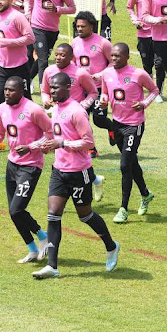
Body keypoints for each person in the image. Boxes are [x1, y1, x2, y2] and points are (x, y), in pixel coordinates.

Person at [32, 72, 120, 279]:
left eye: (56, 87)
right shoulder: (55, 110)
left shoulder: (76, 111)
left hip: (78, 172)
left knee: (85, 215)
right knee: (53, 214)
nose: (52, 91)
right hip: (58, 171)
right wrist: (40, 146)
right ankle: (52, 267)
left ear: (67, 88)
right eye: (50, 87)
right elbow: (54, 136)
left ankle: (111, 245)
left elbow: (88, 142)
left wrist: (62, 144)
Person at [0, 77, 51, 263]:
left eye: (11, 90)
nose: (6, 93)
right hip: (12, 164)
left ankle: (43, 236)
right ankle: (32, 249)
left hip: (31, 166)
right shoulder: (1, 109)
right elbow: (0, 133)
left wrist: (32, 147)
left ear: (21, 92)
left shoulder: (33, 110)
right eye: (5, 89)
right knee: (13, 212)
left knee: (17, 210)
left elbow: (51, 133)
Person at [99, 43, 160, 223]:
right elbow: (104, 93)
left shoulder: (138, 74)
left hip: (134, 126)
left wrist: (144, 104)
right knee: (132, 162)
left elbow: (154, 90)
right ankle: (146, 194)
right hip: (117, 125)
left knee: (125, 165)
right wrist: (103, 101)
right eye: (112, 56)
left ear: (127, 56)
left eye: (118, 56)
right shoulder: (107, 73)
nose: (114, 58)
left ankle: (123, 209)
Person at [41, 43, 106, 201]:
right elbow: (44, 90)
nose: (58, 57)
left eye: (62, 55)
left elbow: (93, 92)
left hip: (75, 118)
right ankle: (94, 179)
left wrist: (81, 107)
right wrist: (45, 100)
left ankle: (84, 184)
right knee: (63, 152)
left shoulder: (79, 73)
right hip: (57, 114)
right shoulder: (49, 71)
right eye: (56, 54)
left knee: (79, 151)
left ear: (71, 58)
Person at [0, 0, 34, 153]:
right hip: (1, 66)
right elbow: (0, 38)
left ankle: (34, 135)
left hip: (19, 67)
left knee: (27, 101)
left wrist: (7, 42)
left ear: (11, 1)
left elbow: (30, 38)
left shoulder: (16, 17)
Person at [24, 0, 75, 92]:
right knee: (43, 60)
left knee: (43, 57)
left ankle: (27, 79)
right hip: (36, 27)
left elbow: (72, 8)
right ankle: (44, 90)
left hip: (52, 30)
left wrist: (58, 9)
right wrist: (27, 13)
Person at [71, 11, 113, 158]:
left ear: (92, 26)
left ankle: (112, 127)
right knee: (82, 119)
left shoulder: (103, 43)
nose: (80, 29)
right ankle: (91, 148)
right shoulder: (75, 42)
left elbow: (114, 63)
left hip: (100, 88)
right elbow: (72, 63)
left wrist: (100, 75)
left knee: (99, 119)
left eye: (83, 26)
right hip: (82, 89)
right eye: (78, 26)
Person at [128, 0, 166, 102]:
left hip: (159, 33)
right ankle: (151, 85)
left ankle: (158, 90)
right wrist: (135, 20)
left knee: (159, 63)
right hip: (143, 34)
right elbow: (129, 7)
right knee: (147, 63)